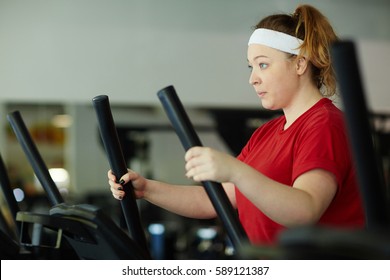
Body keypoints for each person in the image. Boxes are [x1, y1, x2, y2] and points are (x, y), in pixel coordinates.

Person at [108, 4, 365, 245]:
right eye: (251, 67)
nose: (253, 79)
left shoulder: (325, 125)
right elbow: (214, 201)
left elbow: (305, 209)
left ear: (299, 64)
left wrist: (235, 171)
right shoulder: (267, 133)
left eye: (263, 64)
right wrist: (148, 189)